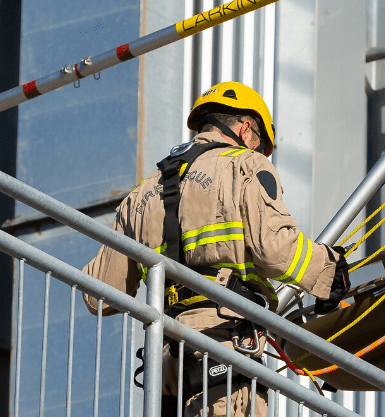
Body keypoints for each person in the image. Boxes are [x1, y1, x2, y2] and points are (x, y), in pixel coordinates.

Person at [82, 82, 350, 417]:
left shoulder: (143, 192)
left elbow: (99, 296)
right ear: (246, 128)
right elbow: (275, 249)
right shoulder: (245, 165)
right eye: (261, 145)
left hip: (167, 362)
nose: (260, 152)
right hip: (223, 348)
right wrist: (329, 269)